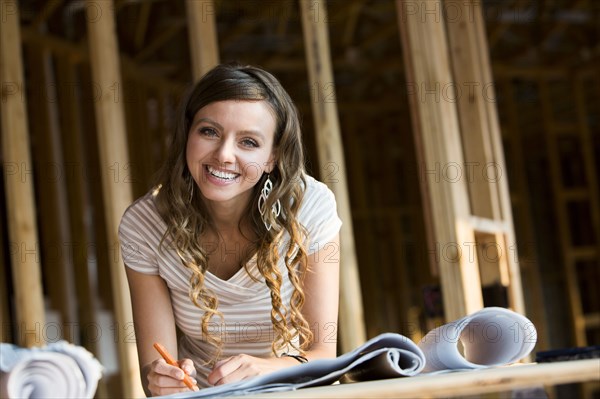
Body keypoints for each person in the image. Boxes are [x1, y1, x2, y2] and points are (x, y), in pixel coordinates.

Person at [118, 63, 342, 397]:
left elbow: (325, 358)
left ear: (273, 157)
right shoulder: (145, 224)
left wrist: (265, 369)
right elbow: (154, 371)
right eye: (209, 131)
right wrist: (161, 378)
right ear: (187, 135)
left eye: (249, 142)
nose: (224, 155)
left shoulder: (309, 207)